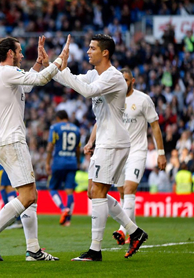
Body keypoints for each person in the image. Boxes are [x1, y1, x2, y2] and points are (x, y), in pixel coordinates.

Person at [53, 34, 148, 261]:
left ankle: (95, 250)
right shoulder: (95, 74)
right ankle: (135, 231)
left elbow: (87, 91)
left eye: (92, 48)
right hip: (105, 141)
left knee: (98, 192)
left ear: (105, 52)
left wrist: (62, 70)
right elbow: (72, 80)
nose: (88, 51)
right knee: (93, 192)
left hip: (114, 142)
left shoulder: (114, 77)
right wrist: (53, 65)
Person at [0, 35, 69, 262]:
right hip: (12, 140)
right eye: (20, 52)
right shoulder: (6, 72)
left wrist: (37, 62)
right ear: (10, 54)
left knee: (31, 195)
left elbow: (27, 83)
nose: (22, 55)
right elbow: (39, 80)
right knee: (27, 196)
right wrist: (57, 61)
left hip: (4, 140)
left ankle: (33, 250)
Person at [106, 68, 167, 245]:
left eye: (125, 80)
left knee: (130, 188)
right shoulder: (112, 99)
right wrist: (92, 141)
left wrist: (161, 153)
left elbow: (155, 126)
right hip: (118, 152)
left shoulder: (143, 100)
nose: (122, 83)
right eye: (120, 80)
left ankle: (122, 230)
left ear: (132, 81)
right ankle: (134, 232)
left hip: (137, 151)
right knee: (123, 194)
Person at [45, 109, 81, 226]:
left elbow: (50, 146)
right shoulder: (76, 129)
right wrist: (77, 161)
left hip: (58, 162)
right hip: (72, 162)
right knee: (69, 191)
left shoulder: (55, 128)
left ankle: (63, 208)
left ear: (58, 118)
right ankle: (68, 220)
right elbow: (78, 149)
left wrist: (47, 162)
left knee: (52, 188)